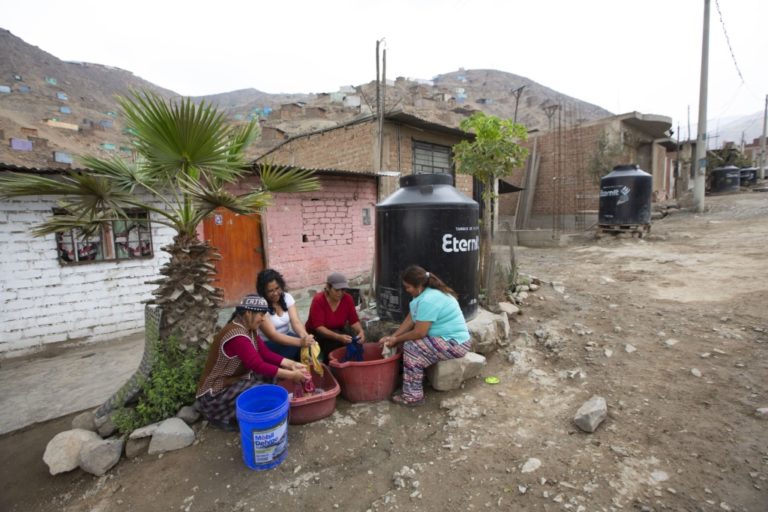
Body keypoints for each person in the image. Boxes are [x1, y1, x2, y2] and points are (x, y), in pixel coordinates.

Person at [196, 294, 308, 430]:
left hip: (235, 380)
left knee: (271, 377)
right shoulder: (236, 335)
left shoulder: (249, 329)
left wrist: (292, 364)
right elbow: (257, 365)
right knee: (264, 392)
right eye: (261, 314)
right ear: (249, 313)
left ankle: (257, 413)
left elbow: (265, 354)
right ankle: (225, 419)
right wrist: (292, 375)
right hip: (215, 394)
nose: (263, 319)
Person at [378, 265, 470, 407]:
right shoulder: (425, 295)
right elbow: (410, 319)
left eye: (408, 287)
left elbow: (420, 332)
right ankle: (412, 377)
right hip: (444, 339)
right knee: (404, 343)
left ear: (419, 285)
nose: (406, 290)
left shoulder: (429, 299)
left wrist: (397, 340)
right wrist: (393, 337)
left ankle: (413, 396)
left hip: (455, 343)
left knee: (411, 347)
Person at [256, 268, 315, 361]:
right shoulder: (260, 305)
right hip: (269, 343)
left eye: (277, 288)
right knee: (295, 347)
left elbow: (296, 322)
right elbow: (273, 335)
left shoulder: (287, 297)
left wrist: (305, 337)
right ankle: (278, 372)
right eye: (270, 291)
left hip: (287, 336)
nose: (275, 293)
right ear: (263, 291)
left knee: (309, 347)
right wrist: (300, 342)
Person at [305, 271, 366, 361]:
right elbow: (319, 327)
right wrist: (338, 337)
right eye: (337, 290)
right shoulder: (319, 300)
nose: (340, 293)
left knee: (354, 341)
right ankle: (331, 366)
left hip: (337, 330)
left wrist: (361, 332)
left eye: (343, 290)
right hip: (316, 334)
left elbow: (354, 320)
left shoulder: (347, 299)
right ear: (328, 287)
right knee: (334, 344)